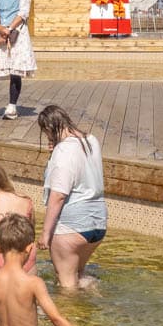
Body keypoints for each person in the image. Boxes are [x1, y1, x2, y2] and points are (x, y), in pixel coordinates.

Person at [38, 105, 106, 289]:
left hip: (71, 225)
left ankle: (71, 316)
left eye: (46, 134)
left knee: (66, 283)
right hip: (98, 223)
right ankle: (94, 294)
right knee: (79, 275)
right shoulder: (91, 140)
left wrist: (45, 233)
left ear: (49, 129)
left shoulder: (64, 151)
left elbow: (58, 195)